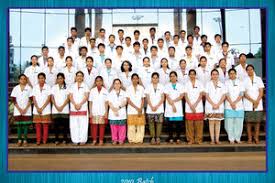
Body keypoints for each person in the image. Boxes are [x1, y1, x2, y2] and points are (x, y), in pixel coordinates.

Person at [243, 64, 265, 144]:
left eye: (251, 69)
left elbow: (261, 91)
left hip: (258, 104)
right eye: (248, 69)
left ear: (253, 70)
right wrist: (253, 101)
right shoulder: (244, 80)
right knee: (248, 122)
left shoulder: (258, 79)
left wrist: (257, 101)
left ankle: (256, 138)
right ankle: (249, 138)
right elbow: (244, 93)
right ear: (246, 71)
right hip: (248, 103)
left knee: (257, 122)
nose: (250, 71)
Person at [205, 69, 226, 145]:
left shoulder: (222, 84)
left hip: (219, 106)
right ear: (211, 75)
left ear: (218, 75)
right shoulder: (208, 84)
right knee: (211, 122)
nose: (215, 76)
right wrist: (213, 104)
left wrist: (218, 104)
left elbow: (224, 95)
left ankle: (217, 139)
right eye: (213, 74)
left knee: (218, 122)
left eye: (216, 74)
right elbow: (206, 95)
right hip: (210, 106)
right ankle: (212, 140)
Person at [10, 74, 32, 146]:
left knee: (25, 126)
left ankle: (25, 140)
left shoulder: (29, 88)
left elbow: (31, 100)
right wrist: (19, 109)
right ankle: (19, 140)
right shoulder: (15, 88)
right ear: (19, 80)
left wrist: (25, 109)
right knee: (19, 126)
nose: (23, 80)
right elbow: (14, 100)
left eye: (24, 79)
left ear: (26, 80)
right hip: (18, 110)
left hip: (26, 109)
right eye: (21, 79)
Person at [224, 68, 245, 144]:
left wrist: (235, 102)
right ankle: (231, 139)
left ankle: (238, 138)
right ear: (229, 75)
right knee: (229, 123)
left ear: (236, 74)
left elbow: (241, 94)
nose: (232, 75)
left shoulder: (241, 82)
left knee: (239, 123)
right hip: (229, 105)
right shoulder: (226, 83)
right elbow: (226, 94)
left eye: (233, 73)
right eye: (231, 74)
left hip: (239, 105)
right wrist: (231, 103)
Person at [184, 69, 204, 144]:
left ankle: (198, 139)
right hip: (189, 106)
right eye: (191, 74)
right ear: (189, 75)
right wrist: (190, 105)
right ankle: (190, 139)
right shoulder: (186, 84)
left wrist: (195, 104)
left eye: (193, 74)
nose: (192, 75)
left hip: (198, 106)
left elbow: (201, 95)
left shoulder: (200, 83)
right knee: (189, 124)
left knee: (199, 124)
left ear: (195, 75)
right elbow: (185, 95)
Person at [69, 71, 89, 145]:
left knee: (83, 124)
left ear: (83, 77)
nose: (79, 77)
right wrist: (75, 104)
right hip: (74, 107)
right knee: (74, 124)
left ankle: (83, 140)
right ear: (76, 77)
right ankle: (75, 140)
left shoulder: (85, 86)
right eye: (78, 76)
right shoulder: (72, 86)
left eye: (81, 76)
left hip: (82, 107)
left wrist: (80, 104)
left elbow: (86, 96)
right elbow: (70, 96)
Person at [164, 71, 185, 144]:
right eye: (171, 76)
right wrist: (173, 105)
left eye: (174, 76)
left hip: (178, 106)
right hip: (170, 106)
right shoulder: (167, 86)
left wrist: (173, 101)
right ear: (169, 78)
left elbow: (181, 96)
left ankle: (178, 137)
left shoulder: (180, 86)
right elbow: (167, 96)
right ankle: (171, 137)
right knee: (170, 123)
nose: (172, 77)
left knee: (178, 123)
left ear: (176, 77)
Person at [32, 72, 52, 145]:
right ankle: (38, 140)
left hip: (45, 109)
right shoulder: (35, 87)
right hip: (37, 109)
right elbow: (34, 98)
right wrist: (37, 108)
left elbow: (49, 98)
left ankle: (44, 140)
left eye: (42, 78)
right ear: (38, 79)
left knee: (45, 125)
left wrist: (42, 108)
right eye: (40, 78)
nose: (41, 79)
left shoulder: (48, 87)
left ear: (45, 78)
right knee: (37, 126)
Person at [145, 72, 165, 145]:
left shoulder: (162, 86)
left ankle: (158, 137)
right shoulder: (148, 86)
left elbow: (163, 98)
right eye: (154, 78)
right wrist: (151, 106)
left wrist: (156, 106)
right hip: (150, 108)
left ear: (158, 79)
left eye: (156, 78)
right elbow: (147, 98)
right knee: (151, 124)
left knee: (159, 124)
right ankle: (152, 138)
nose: (155, 79)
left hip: (159, 108)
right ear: (151, 78)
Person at [89, 76, 108, 145]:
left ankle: (101, 140)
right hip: (94, 111)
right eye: (97, 81)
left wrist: (106, 112)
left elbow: (106, 102)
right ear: (95, 82)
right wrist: (90, 112)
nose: (99, 82)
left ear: (102, 82)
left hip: (102, 111)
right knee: (94, 126)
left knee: (102, 126)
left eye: (100, 81)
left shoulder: (105, 90)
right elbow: (90, 102)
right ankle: (94, 140)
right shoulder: (92, 90)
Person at [126, 73, 146, 144]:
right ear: (131, 80)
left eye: (136, 78)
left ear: (138, 79)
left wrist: (140, 108)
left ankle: (139, 139)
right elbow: (128, 100)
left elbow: (143, 99)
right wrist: (137, 108)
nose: (135, 80)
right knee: (131, 126)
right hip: (131, 110)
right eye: (133, 78)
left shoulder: (141, 88)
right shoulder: (128, 88)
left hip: (140, 109)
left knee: (140, 126)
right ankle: (131, 139)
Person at [51, 73, 70, 145]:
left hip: (64, 109)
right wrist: (56, 106)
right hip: (55, 109)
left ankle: (65, 139)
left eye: (61, 78)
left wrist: (62, 106)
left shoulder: (67, 87)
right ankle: (56, 139)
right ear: (56, 79)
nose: (60, 80)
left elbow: (68, 98)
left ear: (64, 79)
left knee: (65, 125)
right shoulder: (54, 87)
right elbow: (52, 98)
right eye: (58, 78)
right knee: (56, 126)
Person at [107, 79, 127, 145]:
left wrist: (118, 108)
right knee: (113, 127)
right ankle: (114, 139)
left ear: (120, 85)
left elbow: (125, 102)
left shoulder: (124, 92)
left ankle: (121, 139)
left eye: (118, 83)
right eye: (115, 83)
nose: (117, 85)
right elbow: (109, 102)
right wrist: (114, 110)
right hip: (113, 112)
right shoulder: (110, 93)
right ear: (113, 85)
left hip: (121, 111)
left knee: (122, 127)